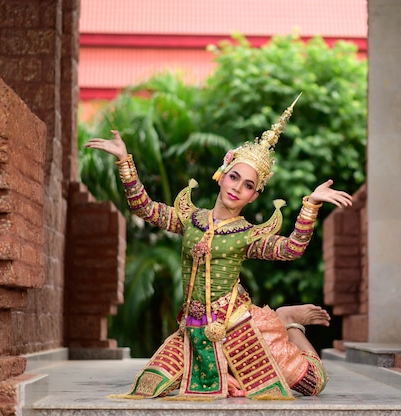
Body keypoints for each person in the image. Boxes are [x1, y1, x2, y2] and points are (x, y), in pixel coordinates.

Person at [84, 95, 353, 400]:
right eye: (234, 177)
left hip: (239, 326)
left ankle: (287, 322)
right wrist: (124, 161)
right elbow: (143, 207)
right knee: (150, 385)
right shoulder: (189, 218)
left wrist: (311, 205)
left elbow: (291, 249)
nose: (237, 188)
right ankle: (231, 368)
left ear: (254, 196)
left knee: (312, 384)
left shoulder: (248, 234)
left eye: (248, 185)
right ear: (221, 175)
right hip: (195, 328)